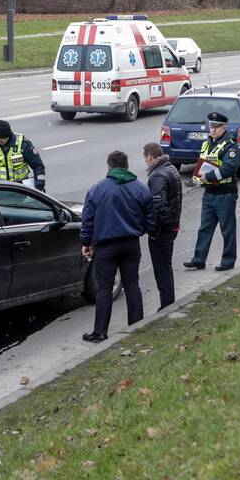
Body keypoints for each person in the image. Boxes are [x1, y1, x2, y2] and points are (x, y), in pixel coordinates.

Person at [79, 151, 154, 343]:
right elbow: (151, 217)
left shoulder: (97, 190)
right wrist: (140, 231)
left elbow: (87, 220)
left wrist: (86, 242)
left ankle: (100, 332)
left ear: (109, 166)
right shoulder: (140, 188)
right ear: (127, 166)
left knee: (104, 288)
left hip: (106, 247)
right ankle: (137, 326)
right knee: (132, 284)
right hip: (131, 244)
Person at [184, 112, 240, 272]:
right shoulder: (207, 143)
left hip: (225, 194)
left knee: (227, 230)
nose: (213, 130)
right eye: (211, 126)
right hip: (209, 193)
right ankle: (198, 260)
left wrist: (206, 176)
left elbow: (229, 168)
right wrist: (196, 178)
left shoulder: (230, 146)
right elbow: (202, 163)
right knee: (205, 228)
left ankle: (228, 261)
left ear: (224, 127)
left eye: (217, 127)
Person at [143, 142, 182, 310]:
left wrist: (152, 230)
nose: (145, 162)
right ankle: (168, 301)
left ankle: (167, 305)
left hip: (162, 230)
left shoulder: (158, 175)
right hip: (171, 225)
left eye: (145, 159)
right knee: (166, 266)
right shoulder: (171, 169)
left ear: (150, 157)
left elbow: (157, 206)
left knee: (162, 269)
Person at [0, 119, 46, 191]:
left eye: (2, 138)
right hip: (0, 190)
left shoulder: (23, 144)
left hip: (20, 189)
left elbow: (38, 166)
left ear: (9, 135)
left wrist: (39, 187)